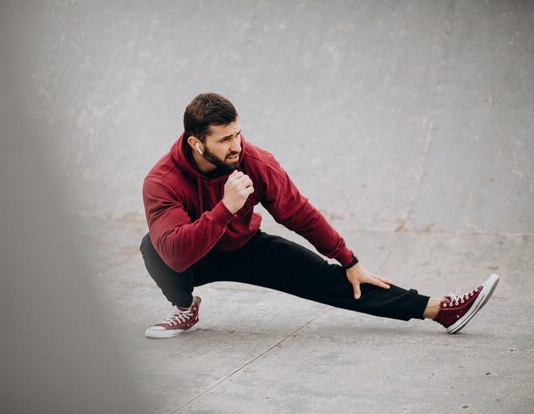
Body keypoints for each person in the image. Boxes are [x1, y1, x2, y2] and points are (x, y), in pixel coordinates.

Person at [140, 92, 499, 339]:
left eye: (238, 134)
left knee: (340, 282)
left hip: (247, 248)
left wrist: (348, 259)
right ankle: (186, 308)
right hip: (198, 256)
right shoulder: (162, 181)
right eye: (224, 140)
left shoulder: (253, 161)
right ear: (195, 143)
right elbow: (176, 255)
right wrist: (224, 209)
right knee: (153, 247)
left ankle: (440, 311)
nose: (237, 146)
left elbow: (298, 212)